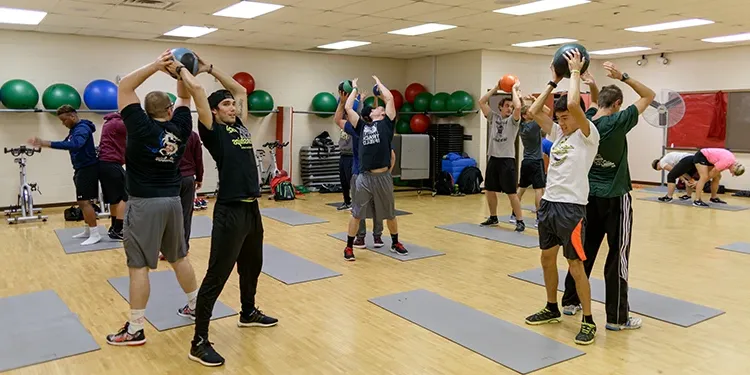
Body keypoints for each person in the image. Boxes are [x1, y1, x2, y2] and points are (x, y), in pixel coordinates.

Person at [105, 50, 201, 346]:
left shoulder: (139, 124)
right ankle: (197, 307)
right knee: (179, 257)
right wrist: (180, 73)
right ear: (169, 110)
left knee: (138, 267)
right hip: (172, 201)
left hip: (144, 203)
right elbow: (185, 99)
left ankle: (135, 328)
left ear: (144, 110)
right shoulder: (181, 127)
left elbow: (125, 87)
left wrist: (156, 66)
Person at [189, 56, 278, 367]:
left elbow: (240, 89)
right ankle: (199, 340)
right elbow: (200, 94)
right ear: (214, 111)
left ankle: (248, 312)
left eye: (233, 105)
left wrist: (210, 68)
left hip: (252, 208)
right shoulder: (211, 129)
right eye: (226, 104)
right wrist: (186, 72)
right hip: (229, 211)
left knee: (253, 264)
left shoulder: (239, 125)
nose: (233, 107)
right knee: (217, 274)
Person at [559, 61, 655, 332]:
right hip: (616, 197)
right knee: (618, 255)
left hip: (589, 198)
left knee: (584, 251)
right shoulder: (620, 120)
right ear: (618, 104)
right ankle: (617, 317)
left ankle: (570, 301)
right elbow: (649, 95)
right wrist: (623, 76)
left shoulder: (586, 121)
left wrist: (590, 83)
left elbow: (595, 106)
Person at [525, 49, 600, 345]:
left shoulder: (587, 134)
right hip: (549, 205)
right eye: (560, 119)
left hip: (571, 208)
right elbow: (532, 113)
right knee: (546, 259)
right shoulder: (559, 134)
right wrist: (553, 81)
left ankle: (589, 320)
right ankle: (551, 307)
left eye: (567, 118)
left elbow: (572, 102)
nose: (563, 122)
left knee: (575, 265)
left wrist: (575, 72)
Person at [342, 76, 407, 261]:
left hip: (383, 176)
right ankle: (348, 247)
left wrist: (379, 84)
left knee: (390, 213)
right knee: (356, 213)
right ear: (371, 114)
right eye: (377, 108)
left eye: (381, 107)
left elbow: (390, 99)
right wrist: (354, 88)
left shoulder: (387, 124)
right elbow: (348, 108)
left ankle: (395, 242)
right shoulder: (362, 126)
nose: (380, 108)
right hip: (365, 177)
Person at [28, 105, 101, 245]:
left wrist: (47, 143)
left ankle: (95, 233)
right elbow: (67, 143)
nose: (63, 123)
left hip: (88, 168)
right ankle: (88, 230)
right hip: (81, 168)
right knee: (84, 201)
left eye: (64, 120)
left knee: (84, 202)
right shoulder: (75, 129)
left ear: (72, 116)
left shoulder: (82, 129)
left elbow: (75, 144)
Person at [334, 91, 395, 248]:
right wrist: (343, 102)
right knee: (359, 209)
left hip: (375, 174)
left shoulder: (379, 129)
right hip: (360, 173)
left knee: (378, 207)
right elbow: (339, 118)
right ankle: (361, 237)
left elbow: (392, 154)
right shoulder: (358, 128)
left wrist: (386, 173)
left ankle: (376, 236)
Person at [478, 80, 525, 231]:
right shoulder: (493, 117)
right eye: (506, 106)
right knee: (489, 190)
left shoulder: (513, 121)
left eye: (511, 107)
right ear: (500, 107)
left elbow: (518, 107)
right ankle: (493, 217)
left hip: (507, 161)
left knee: (511, 193)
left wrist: (513, 90)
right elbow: (482, 101)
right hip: (493, 158)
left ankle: (520, 220)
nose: (509, 109)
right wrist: (496, 88)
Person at [98, 112, 128, 240]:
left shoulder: (109, 122)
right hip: (112, 163)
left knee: (114, 199)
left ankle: (114, 227)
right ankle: (118, 229)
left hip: (105, 164)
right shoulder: (119, 124)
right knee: (125, 196)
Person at [517, 105, 546, 225]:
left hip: (526, 162)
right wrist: (535, 101)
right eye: (529, 112)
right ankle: (539, 218)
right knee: (539, 190)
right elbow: (547, 111)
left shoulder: (521, 126)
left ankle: (514, 214)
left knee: (521, 188)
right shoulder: (534, 125)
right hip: (536, 161)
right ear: (524, 115)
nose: (532, 112)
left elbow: (522, 110)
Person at [179, 131, 204, 251]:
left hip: (168, 180)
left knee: (167, 215)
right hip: (187, 178)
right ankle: (183, 246)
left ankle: (167, 248)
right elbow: (198, 158)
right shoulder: (192, 135)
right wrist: (199, 178)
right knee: (186, 213)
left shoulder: (163, 132)